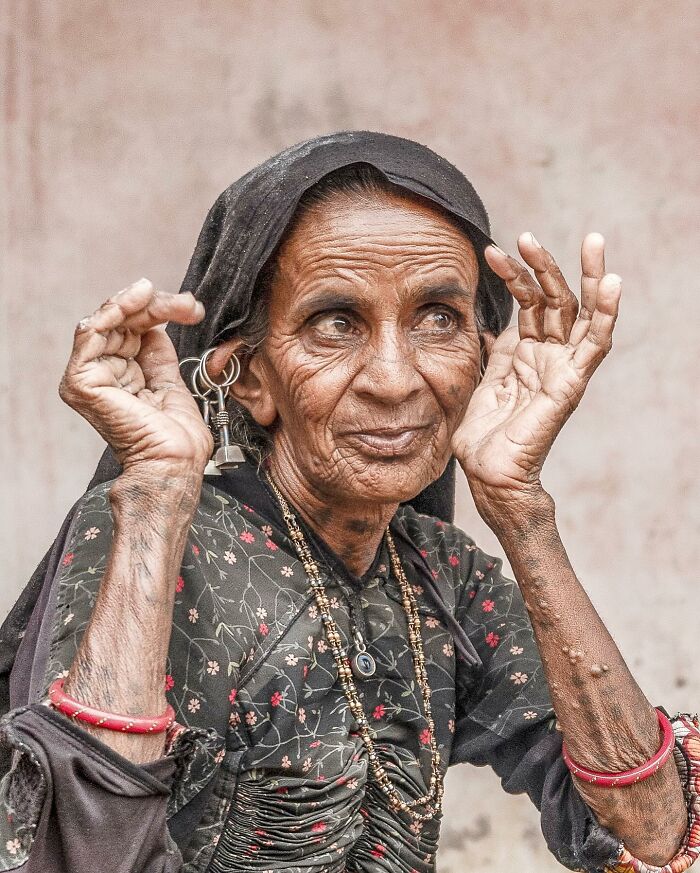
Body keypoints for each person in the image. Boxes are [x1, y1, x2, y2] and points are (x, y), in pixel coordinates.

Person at [0, 132, 697, 873]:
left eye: (438, 318)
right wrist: (154, 497)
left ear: (484, 360)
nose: (394, 380)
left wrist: (519, 507)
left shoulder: (443, 577)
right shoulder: (161, 539)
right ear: (249, 378)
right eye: (336, 322)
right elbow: (67, 853)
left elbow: (653, 834)